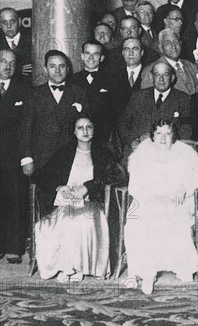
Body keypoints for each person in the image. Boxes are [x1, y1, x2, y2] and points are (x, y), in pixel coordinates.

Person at [34, 116, 125, 282]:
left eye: (89, 127)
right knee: (66, 220)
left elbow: (118, 173)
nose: (85, 131)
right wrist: (59, 187)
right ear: (74, 132)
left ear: (94, 130)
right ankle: (66, 267)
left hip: (92, 202)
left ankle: (78, 268)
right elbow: (41, 176)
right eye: (80, 127)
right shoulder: (65, 151)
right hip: (66, 203)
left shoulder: (102, 152)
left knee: (81, 220)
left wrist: (88, 187)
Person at [124, 119, 198, 294]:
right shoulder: (142, 155)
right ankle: (146, 273)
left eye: (167, 133)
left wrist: (184, 188)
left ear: (174, 136)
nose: (163, 138)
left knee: (165, 216)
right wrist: (152, 198)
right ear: (152, 136)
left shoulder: (185, 154)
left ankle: (151, 271)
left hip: (177, 203)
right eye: (158, 134)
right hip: (148, 201)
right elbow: (134, 187)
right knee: (138, 220)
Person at [21, 50, 90, 174]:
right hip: (42, 159)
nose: (57, 71)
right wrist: (27, 159)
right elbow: (26, 129)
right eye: (52, 66)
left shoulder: (78, 92)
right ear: (45, 69)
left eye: (62, 66)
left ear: (68, 69)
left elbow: (87, 125)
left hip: (72, 158)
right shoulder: (33, 94)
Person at [118, 61, 192, 157]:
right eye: (157, 75)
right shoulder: (138, 96)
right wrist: (133, 141)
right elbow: (123, 122)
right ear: (151, 77)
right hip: (138, 151)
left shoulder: (183, 99)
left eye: (165, 75)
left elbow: (186, 130)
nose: (161, 79)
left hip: (168, 153)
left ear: (172, 78)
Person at [0, 49, 30, 263]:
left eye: (11, 62)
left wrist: (26, 157)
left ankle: (13, 247)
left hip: (13, 155)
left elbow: (27, 126)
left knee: (15, 200)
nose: (7, 66)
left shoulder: (24, 90)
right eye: (2, 61)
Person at [0, 7, 32, 79]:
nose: (9, 26)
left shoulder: (33, 38)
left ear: (19, 22)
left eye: (12, 21)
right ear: (0, 25)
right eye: (4, 22)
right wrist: (17, 69)